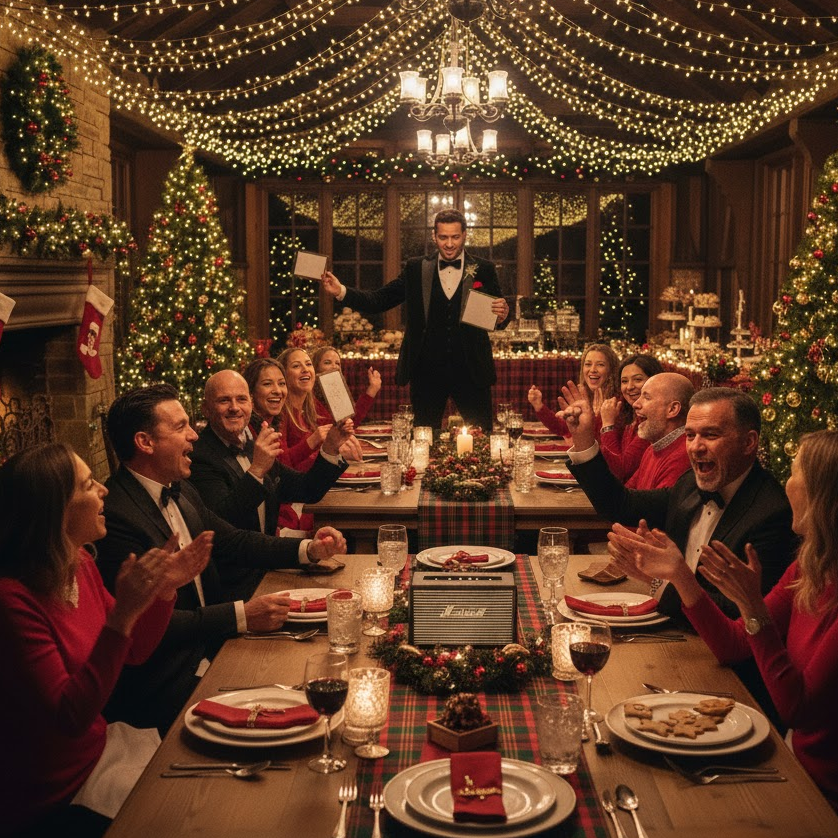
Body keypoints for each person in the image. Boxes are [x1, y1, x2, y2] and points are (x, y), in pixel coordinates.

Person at [608, 430, 838, 812]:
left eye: (795, 473)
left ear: (822, 493)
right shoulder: (810, 567)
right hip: (789, 759)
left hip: (818, 792)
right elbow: (733, 644)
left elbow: (797, 710)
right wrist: (679, 575)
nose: (788, 483)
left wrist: (753, 608)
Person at [96, 384, 346, 731]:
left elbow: (235, 541)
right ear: (145, 442)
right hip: (169, 685)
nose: (192, 437)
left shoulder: (179, 490)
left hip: (215, 646)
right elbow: (149, 626)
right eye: (180, 427)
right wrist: (242, 615)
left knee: (316, 669)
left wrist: (309, 550)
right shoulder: (118, 517)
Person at [0, 443, 211, 835]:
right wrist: (125, 612)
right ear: (54, 510)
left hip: (101, 753)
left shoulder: (78, 563)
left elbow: (134, 652)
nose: (104, 489)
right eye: (87, 485)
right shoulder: (13, 601)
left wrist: (164, 591)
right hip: (56, 792)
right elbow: (71, 716)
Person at [562, 384, 795, 619]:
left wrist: (658, 581)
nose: (695, 447)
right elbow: (619, 503)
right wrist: (583, 440)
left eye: (710, 435)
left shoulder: (772, 514)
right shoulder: (690, 484)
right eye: (690, 435)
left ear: (748, 442)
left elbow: (745, 615)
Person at [320, 208, 511, 432]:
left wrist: (503, 315)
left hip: (472, 371)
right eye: (443, 237)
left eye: (455, 237)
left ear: (465, 235)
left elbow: (498, 314)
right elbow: (379, 300)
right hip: (426, 372)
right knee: (423, 442)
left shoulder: (484, 269)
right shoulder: (416, 268)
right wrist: (341, 291)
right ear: (434, 236)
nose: (449, 244)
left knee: (482, 440)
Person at [189, 369, 351, 548]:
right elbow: (225, 525)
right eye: (224, 400)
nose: (234, 407)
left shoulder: (252, 443)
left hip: (267, 563)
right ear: (206, 408)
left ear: (250, 403)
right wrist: (257, 470)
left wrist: (330, 448)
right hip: (240, 571)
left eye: (241, 399)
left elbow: (306, 490)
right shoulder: (199, 456)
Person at [528, 343, 619, 438]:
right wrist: (539, 406)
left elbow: (603, 446)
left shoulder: (617, 402)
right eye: (588, 364)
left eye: (600, 365)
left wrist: (592, 419)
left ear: (611, 369)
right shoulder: (584, 396)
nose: (592, 370)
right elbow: (562, 428)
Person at [619, 372, 693, 490]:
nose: (636, 404)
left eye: (646, 397)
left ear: (672, 409)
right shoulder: (652, 449)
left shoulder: (682, 456)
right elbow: (625, 497)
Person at [598, 354, 662, 482]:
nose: (629, 387)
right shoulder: (627, 412)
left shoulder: (652, 422)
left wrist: (607, 426)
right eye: (624, 381)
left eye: (638, 380)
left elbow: (620, 470)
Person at [311, 345, 381, 426]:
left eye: (337, 363)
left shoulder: (337, 390)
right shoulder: (309, 394)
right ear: (316, 367)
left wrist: (373, 388)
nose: (334, 367)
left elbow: (351, 423)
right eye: (327, 362)